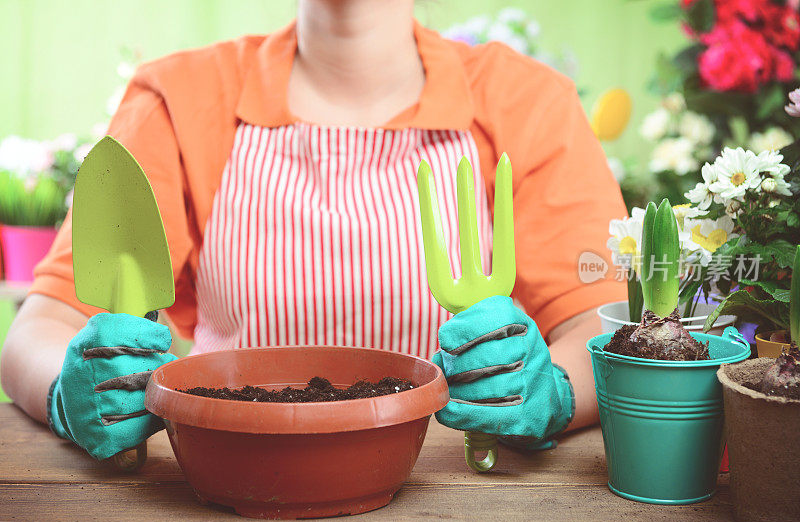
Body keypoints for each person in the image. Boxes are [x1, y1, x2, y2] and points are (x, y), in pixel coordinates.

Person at [0, 0, 626, 461]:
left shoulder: (530, 104)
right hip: (227, 481)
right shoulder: (177, 99)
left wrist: (556, 390)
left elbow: (608, 331)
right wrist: (67, 390)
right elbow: (43, 326)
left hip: (451, 489)